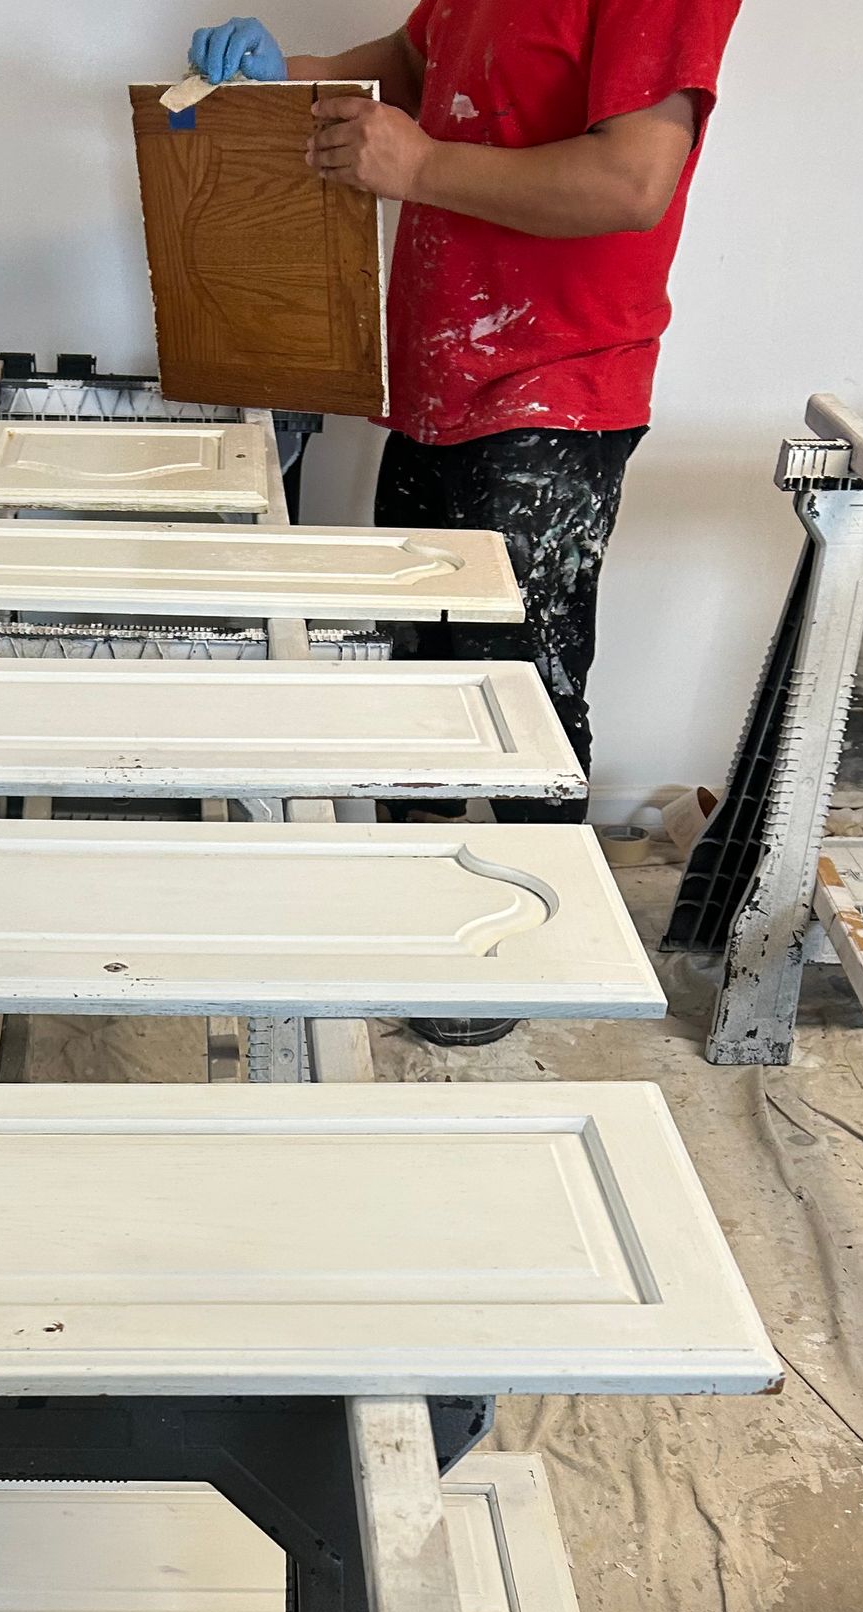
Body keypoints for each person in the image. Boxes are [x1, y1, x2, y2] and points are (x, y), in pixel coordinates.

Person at [189, 6, 742, 1041]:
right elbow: (406, 65)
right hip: (442, 382)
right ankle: (430, 912)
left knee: (524, 694)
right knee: (423, 676)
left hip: (556, 393)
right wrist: (287, 77)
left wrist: (425, 167)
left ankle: (526, 951)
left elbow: (633, 180)